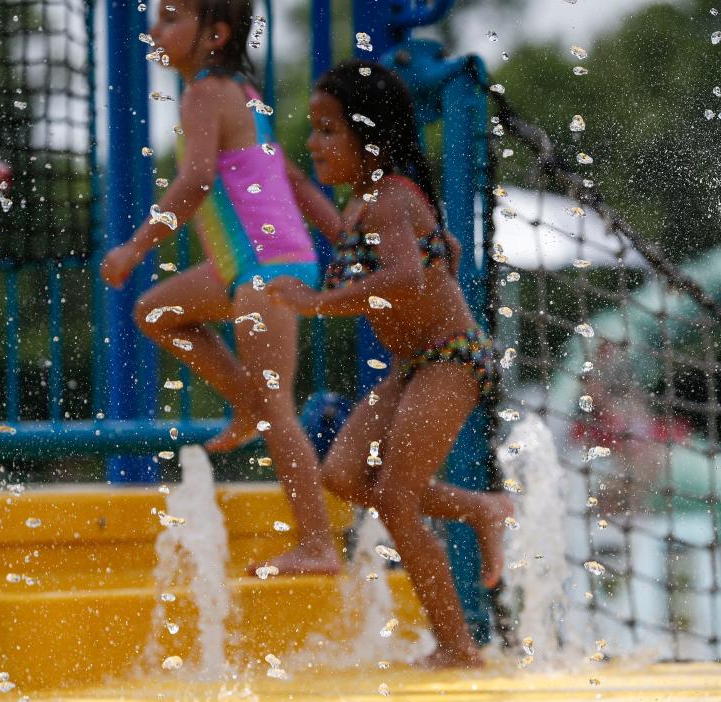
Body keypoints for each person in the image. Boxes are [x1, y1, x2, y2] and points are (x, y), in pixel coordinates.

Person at [266, 59, 514, 669]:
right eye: (313, 130)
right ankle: (482, 507)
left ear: (368, 135)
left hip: (451, 360)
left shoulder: (387, 201)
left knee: (398, 499)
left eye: (328, 130)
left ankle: (459, 650)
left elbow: (403, 277)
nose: (316, 142)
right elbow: (393, 252)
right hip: (414, 365)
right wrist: (290, 179)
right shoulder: (362, 203)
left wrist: (321, 303)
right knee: (344, 476)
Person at [100, 0, 341, 575]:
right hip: (251, 268)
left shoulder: (204, 94)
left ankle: (318, 545)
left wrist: (137, 245)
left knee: (280, 411)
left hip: (264, 271)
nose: (155, 29)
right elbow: (292, 176)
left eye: (170, 17)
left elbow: (198, 177)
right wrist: (343, 238)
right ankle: (245, 402)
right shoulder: (245, 94)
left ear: (216, 34)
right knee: (156, 312)